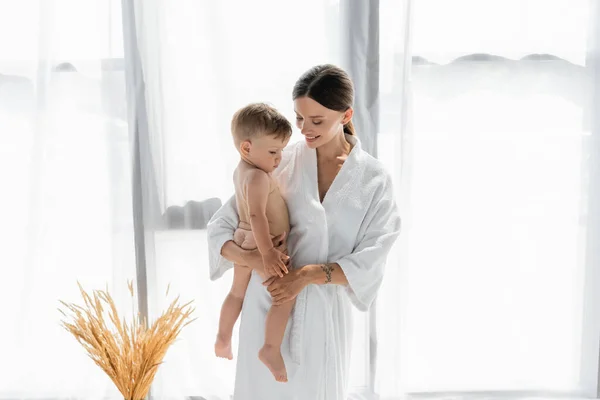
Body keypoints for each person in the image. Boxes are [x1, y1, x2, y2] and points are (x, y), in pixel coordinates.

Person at [207, 64, 401, 400]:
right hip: (268, 300)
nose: (304, 130)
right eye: (299, 118)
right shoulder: (280, 160)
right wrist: (252, 257)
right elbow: (222, 227)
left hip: (324, 313)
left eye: (316, 121)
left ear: (346, 115)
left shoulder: (373, 179)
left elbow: (372, 258)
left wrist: (308, 274)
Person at [214, 103, 294, 383]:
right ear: (246, 148)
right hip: (260, 242)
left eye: (281, 151)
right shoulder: (259, 177)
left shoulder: (241, 170)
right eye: (273, 152)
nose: (278, 159)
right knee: (284, 295)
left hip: (242, 237)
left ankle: (223, 338)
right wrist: (269, 252)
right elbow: (258, 216)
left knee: (237, 293)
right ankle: (270, 349)